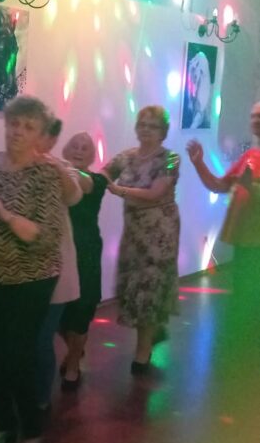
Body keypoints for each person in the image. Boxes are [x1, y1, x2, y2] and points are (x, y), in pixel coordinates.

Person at [0, 96, 64, 443]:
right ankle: (3, 423)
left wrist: (3, 214)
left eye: (28, 127)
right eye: (14, 124)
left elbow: (45, 237)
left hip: (32, 278)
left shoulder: (45, 175)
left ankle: (31, 429)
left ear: (41, 135)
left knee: (16, 356)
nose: (18, 132)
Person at [103, 106, 180, 373]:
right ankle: (153, 331)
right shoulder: (125, 156)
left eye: (153, 126)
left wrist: (118, 190)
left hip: (160, 233)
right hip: (134, 230)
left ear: (163, 132)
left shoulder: (171, 159)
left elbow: (156, 192)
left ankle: (143, 350)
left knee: (149, 285)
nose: (146, 129)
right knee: (133, 285)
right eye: (142, 124)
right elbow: (102, 173)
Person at [186, 101, 260, 360]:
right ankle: (242, 351)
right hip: (246, 241)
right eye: (253, 116)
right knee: (244, 294)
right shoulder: (250, 156)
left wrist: (252, 188)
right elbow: (218, 185)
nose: (256, 121)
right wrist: (199, 164)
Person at [34, 116, 82, 409]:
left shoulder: (61, 168)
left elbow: (74, 194)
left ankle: (40, 402)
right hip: (18, 275)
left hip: (55, 271)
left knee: (41, 340)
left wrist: (55, 167)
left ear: (52, 141)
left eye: (37, 132)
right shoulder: (5, 166)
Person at [59, 132, 109, 389]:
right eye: (75, 146)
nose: (79, 151)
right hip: (59, 253)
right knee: (59, 314)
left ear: (91, 156)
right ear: (66, 150)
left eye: (85, 148)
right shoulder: (56, 176)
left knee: (81, 310)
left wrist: (59, 167)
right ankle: (74, 351)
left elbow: (84, 184)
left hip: (86, 253)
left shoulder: (97, 181)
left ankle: (73, 365)